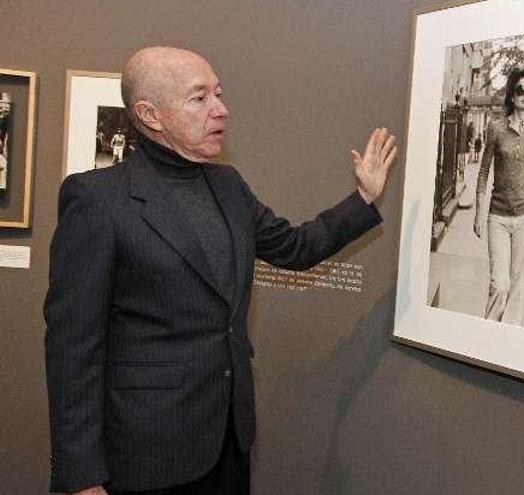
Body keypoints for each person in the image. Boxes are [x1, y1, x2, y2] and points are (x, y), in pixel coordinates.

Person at [43, 46, 397, 495]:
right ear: (150, 114)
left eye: (219, 94)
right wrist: (80, 476)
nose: (221, 110)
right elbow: (72, 348)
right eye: (200, 98)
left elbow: (294, 247)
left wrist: (363, 199)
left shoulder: (227, 185)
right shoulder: (97, 200)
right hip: (145, 455)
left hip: (229, 442)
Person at [473, 66, 524, 325]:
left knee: (518, 285)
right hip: (498, 217)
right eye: (520, 90)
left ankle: (507, 341)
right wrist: (478, 212)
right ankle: (489, 333)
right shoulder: (496, 129)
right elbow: (483, 170)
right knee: (500, 282)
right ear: (512, 95)